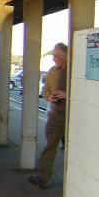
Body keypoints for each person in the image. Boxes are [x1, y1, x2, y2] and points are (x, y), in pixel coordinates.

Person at [29, 42, 68, 189]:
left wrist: (67, 95)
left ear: (66, 56)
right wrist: (49, 97)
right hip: (55, 115)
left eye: (57, 56)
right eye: (54, 56)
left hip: (72, 117)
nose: (54, 59)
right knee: (50, 146)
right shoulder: (52, 71)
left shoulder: (75, 71)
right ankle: (44, 177)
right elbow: (45, 91)